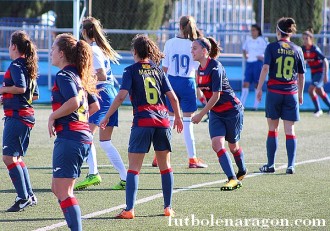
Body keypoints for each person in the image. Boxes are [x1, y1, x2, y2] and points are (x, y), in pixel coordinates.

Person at [100, 34, 183, 219]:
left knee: (134, 168)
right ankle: (168, 207)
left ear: (135, 52)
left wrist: (106, 116)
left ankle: (129, 209)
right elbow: (173, 98)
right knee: (165, 167)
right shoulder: (158, 70)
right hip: (162, 122)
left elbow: (121, 96)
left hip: (143, 122)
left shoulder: (130, 70)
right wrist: (177, 117)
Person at [48, 33, 100, 231]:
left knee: (65, 191)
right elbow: (94, 106)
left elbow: (74, 102)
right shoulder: (77, 75)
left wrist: (53, 117)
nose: (51, 52)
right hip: (78, 136)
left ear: (61, 53)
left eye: (53, 48)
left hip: (71, 137)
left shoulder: (64, 75)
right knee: (57, 188)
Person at [74, 16, 127, 190]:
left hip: (102, 93)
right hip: (109, 93)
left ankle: (93, 173)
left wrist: (85, 81)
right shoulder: (99, 49)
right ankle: (125, 177)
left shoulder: (92, 50)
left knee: (85, 134)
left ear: (84, 32)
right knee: (104, 141)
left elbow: (102, 76)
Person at [191, 37, 247, 191]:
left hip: (232, 110)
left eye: (194, 48)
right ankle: (232, 179)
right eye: (191, 48)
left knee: (233, 147)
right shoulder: (199, 70)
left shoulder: (216, 67)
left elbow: (215, 96)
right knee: (217, 144)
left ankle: (242, 170)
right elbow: (204, 92)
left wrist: (201, 114)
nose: (192, 51)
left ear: (204, 51)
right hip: (216, 113)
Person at [154, 15, 207, 168]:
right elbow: (198, 69)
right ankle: (192, 159)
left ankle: (159, 157)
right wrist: (199, 90)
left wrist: (161, 87)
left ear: (180, 26)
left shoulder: (170, 43)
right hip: (187, 83)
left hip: (171, 81)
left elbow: (163, 68)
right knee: (187, 123)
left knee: (169, 122)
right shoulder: (194, 44)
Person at [256, 17, 306, 174]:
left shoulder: (271, 47)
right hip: (291, 93)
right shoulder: (297, 49)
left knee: (273, 129)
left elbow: (265, 69)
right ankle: (290, 165)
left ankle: (271, 165)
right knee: (290, 130)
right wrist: (300, 93)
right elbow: (301, 75)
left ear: (278, 31)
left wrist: (258, 89)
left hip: (274, 93)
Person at [1, 30, 39, 212]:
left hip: (17, 116)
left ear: (14, 46)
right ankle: (29, 194)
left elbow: (21, 88)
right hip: (23, 115)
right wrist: (8, 95)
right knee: (16, 157)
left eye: (9, 45)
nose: (9, 48)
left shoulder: (17, 64)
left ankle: (23, 197)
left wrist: (3, 90)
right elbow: (35, 95)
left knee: (8, 157)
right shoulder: (28, 65)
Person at [301, 30, 330, 117]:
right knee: (319, 91)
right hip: (313, 73)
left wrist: (325, 75)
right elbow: (302, 59)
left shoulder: (315, 49)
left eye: (306, 38)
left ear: (311, 39)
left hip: (320, 72)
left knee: (311, 90)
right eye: (303, 39)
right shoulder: (303, 49)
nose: (305, 40)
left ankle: (318, 109)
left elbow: (325, 60)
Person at [240, 24, 268, 110]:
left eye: (254, 30)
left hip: (258, 63)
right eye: (251, 30)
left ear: (258, 31)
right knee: (245, 84)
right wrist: (246, 56)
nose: (252, 32)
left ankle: (255, 106)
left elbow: (267, 52)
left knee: (257, 84)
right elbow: (244, 49)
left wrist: (262, 57)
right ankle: (241, 105)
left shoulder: (262, 40)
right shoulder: (248, 40)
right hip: (249, 63)